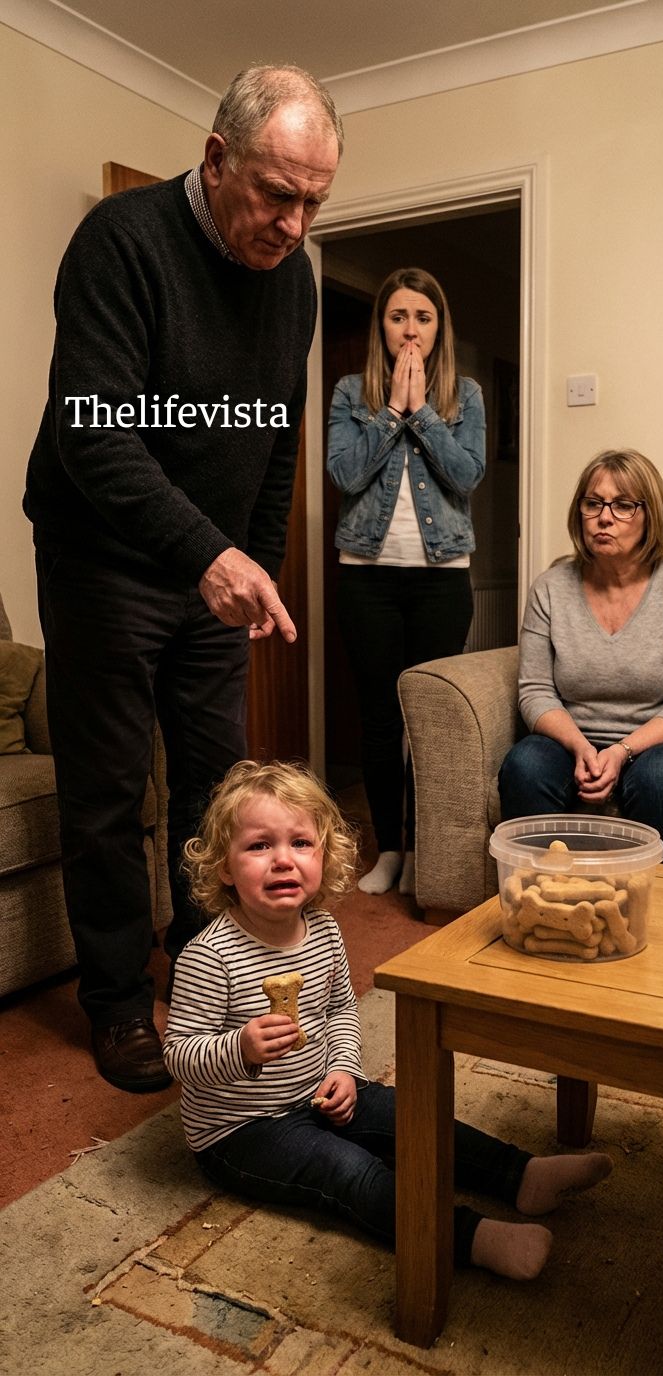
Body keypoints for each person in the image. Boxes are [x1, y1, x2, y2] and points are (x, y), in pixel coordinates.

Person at [23, 65, 343, 1092]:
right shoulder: (121, 243)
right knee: (110, 789)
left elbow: (275, 436)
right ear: (216, 159)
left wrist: (257, 564)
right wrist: (211, 554)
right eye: (277, 194)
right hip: (104, 558)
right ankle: (118, 1000)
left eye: (315, 202)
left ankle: (206, 973)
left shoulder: (293, 280)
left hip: (212, 567)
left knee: (217, 788)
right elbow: (94, 435)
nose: (294, 225)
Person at [163, 758, 612, 1281]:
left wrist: (343, 1070)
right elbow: (178, 1055)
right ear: (224, 866)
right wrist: (238, 1047)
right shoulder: (209, 956)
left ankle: (523, 1175)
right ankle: (471, 1238)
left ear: (325, 855)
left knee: (415, 1116)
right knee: (348, 1170)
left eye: (301, 843)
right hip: (241, 1130)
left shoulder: (324, 931)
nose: (283, 860)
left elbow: (339, 1010)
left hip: (321, 1092)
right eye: (259, 846)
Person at [327, 267, 486, 896]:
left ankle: (424, 850)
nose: (411, 330)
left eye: (423, 317)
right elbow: (344, 475)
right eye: (398, 317)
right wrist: (392, 408)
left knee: (429, 720)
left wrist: (422, 411)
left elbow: (467, 475)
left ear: (439, 326)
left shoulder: (465, 394)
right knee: (378, 720)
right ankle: (389, 850)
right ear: (383, 327)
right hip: (365, 579)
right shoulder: (351, 392)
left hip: (440, 581)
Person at [498, 449, 663, 864]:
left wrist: (621, 751)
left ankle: (662, 899)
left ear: (650, 515)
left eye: (622, 505)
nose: (604, 518)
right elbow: (535, 692)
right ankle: (542, 894)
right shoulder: (550, 588)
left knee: (657, 776)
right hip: (574, 740)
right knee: (525, 764)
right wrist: (581, 747)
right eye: (593, 503)